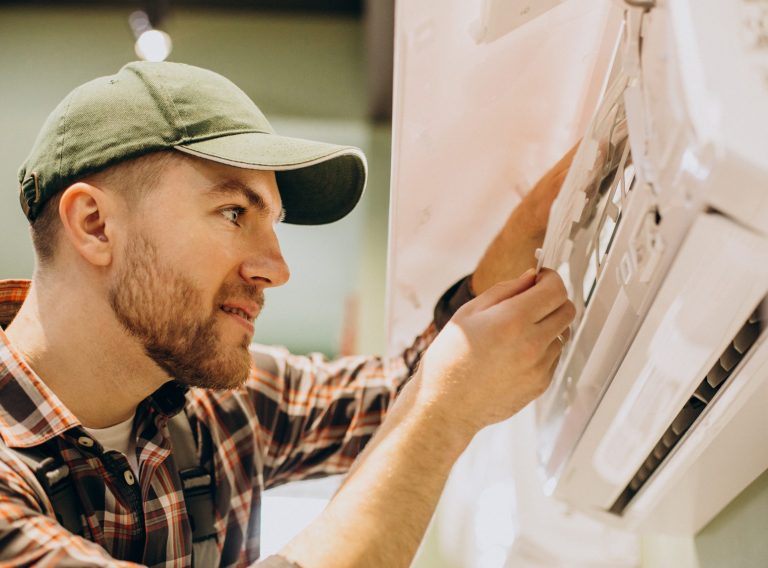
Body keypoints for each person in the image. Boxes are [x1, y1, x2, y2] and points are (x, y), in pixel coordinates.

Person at [0, 61, 575, 567]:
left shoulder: (218, 406)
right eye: (232, 212)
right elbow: (430, 402)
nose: (277, 268)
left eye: (272, 222)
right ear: (95, 225)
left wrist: (534, 230)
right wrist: (444, 418)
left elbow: (406, 388)